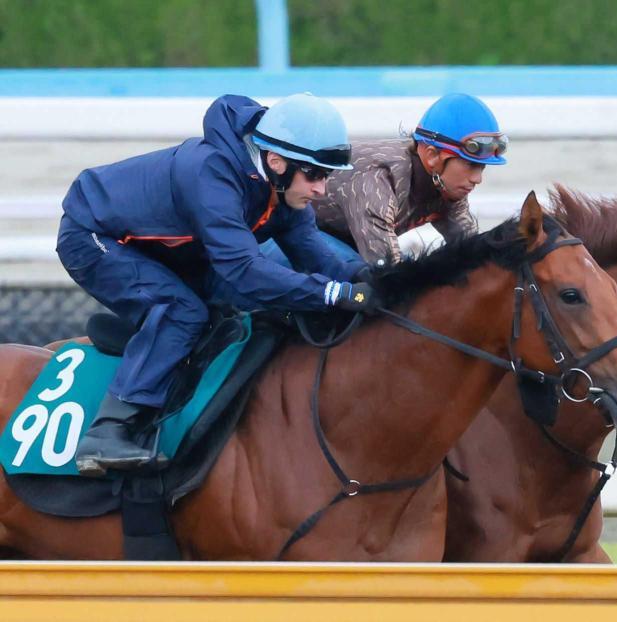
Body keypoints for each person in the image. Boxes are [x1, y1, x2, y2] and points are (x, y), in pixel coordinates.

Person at [57, 93, 378, 476]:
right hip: (93, 236)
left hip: (170, 249)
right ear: (276, 162)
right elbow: (244, 269)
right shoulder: (213, 173)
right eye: (314, 175)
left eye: (326, 176)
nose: (322, 190)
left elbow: (321, 261)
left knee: (241, 305)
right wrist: (331, 294)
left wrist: (370, 281)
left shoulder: (281, 190)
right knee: (183, 311)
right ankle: (107, 430)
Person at [310, 93, 508, 267]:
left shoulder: (446, 184)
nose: (477, 179)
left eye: (481, 167)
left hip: (353, 241)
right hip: (297, 233)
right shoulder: (378, 179)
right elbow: (386, 273)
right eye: (470, 165)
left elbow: (474, 252)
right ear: (432, 156)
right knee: (364, 277)